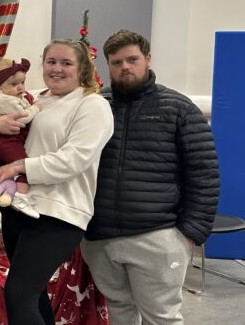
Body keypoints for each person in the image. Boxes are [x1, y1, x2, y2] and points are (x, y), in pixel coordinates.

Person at [80, 30, 220, 324]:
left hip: (157, 236)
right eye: (116, 62)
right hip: (99, 237)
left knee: (162, 318)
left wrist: (190, 232)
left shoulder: (178, 108)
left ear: (147, 59)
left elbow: (204, 171)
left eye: (132, 59)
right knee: (118, 312)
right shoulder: (95, 105)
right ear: (107, 65)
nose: (125, 67)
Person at [0, 40, 113, 324]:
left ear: (82, 69)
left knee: (18, 296)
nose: (57, 69)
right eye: (51, 62)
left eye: (66, 63)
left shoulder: (92, 105)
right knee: (34, 295)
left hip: (58, 213)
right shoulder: (32, 97)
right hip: (19, 208)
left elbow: (74, 159)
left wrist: (19, 166)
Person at [0, 57, 43, 218]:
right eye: (13, 84)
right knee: (24, 168)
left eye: (22, 82)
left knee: (5, 170)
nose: (20, 88)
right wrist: (36, 108)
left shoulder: (14, 96)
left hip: (9, 141)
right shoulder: (5, 100)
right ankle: (21, 197)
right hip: (8, 141)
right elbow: (24, 117)